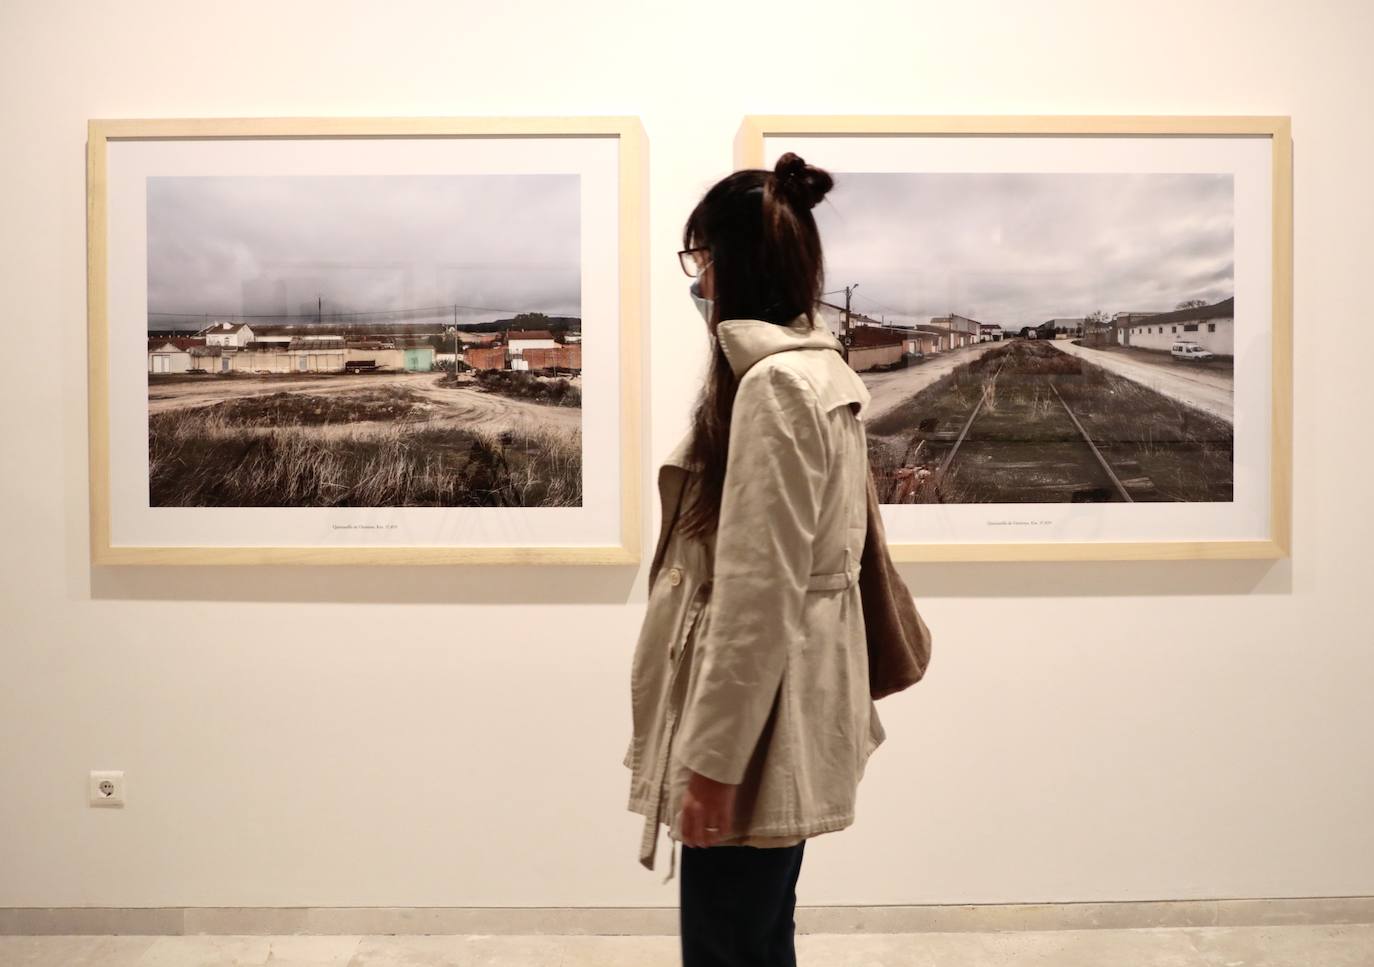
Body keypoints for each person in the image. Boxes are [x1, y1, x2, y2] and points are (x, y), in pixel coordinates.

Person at [623, 152, 887, 967]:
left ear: (730, 264)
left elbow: (754, 594)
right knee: (763, 935)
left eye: (699, 258)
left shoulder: (773, 388)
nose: (697, 281)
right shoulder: (819, 368)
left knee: (727, 945)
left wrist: (711, 762)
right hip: (792, 704)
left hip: (756, 728)